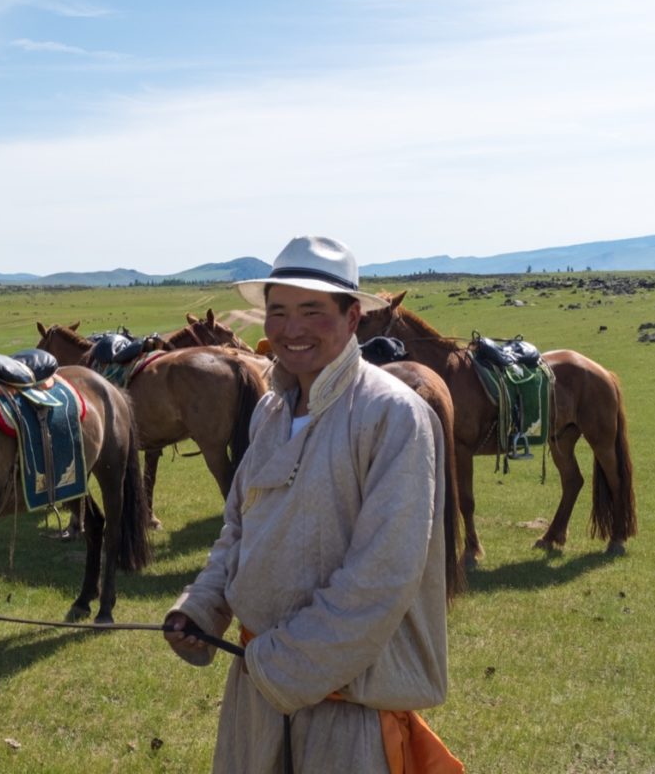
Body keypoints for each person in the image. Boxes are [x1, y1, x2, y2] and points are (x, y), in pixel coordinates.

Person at [164, 236, 460, 773]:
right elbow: (237, 528)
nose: (291, 329)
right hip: (257, 690)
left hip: (347, 708)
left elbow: (382, 576)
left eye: (312, 311)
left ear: (352, 318)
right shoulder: (270, 413)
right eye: (278, 312)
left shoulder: (393, 416)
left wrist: (284, 664)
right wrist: (202, 606)